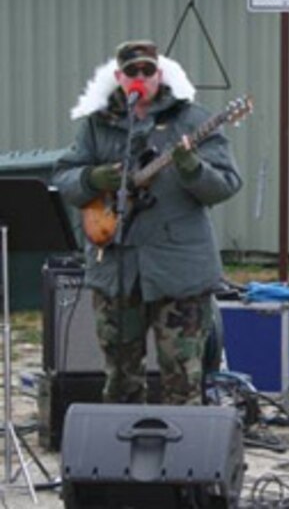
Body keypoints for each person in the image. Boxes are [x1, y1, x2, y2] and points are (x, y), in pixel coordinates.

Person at [54, 40, 243, 405]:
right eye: (132, 72)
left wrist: (192, 168)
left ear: (159, 74)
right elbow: (64, 176)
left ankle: (182, 456)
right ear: (119, 77)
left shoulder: (193, 120)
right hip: (117, 266)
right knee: (120, 378)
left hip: (179, 270)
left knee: (182, 378)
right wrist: (93, 179)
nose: (140, 77)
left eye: (147, 71)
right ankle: (123, 453)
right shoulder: (98, 126)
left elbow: (225, 185)